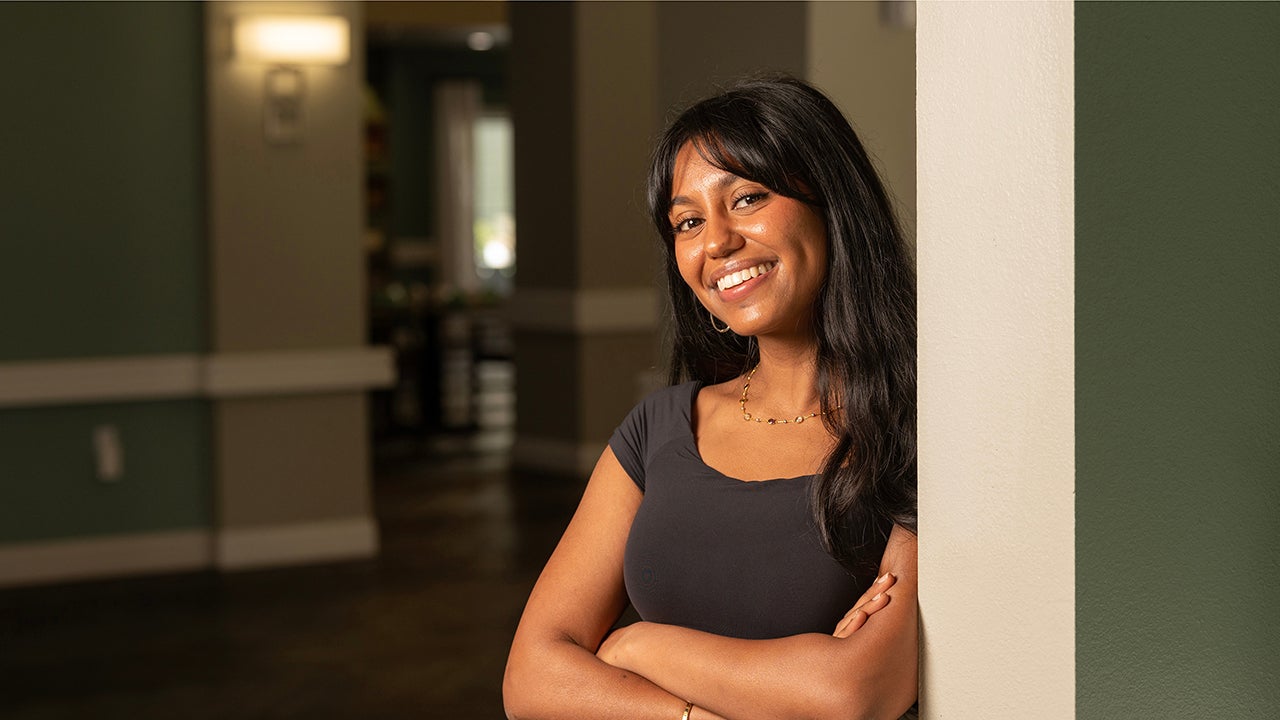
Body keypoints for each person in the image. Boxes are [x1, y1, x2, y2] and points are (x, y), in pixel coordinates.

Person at [503, 76, 918, 720]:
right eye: (688, 221)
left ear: (832, 204)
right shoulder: (658, 429)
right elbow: (531, 677)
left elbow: (855, 693)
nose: (716, 242)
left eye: (748, 197)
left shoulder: (916, 426)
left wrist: (636, 645)